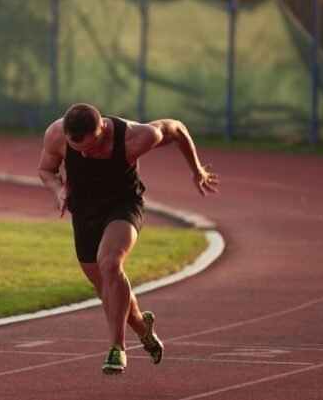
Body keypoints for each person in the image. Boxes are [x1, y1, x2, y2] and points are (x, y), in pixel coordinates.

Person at [37, 103, 219, 374]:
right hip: (85, 213)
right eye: (78, 151)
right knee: (107, 291)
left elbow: (177, 128)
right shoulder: (56, 134)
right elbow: (45, 170)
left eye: (90, 148)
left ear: (103, 130)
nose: (84, 156)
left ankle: (117, 349)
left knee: (110, 263)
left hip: (123, 206)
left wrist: (196, 170)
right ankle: (144, 329)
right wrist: (58, 191)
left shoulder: (135, 137)